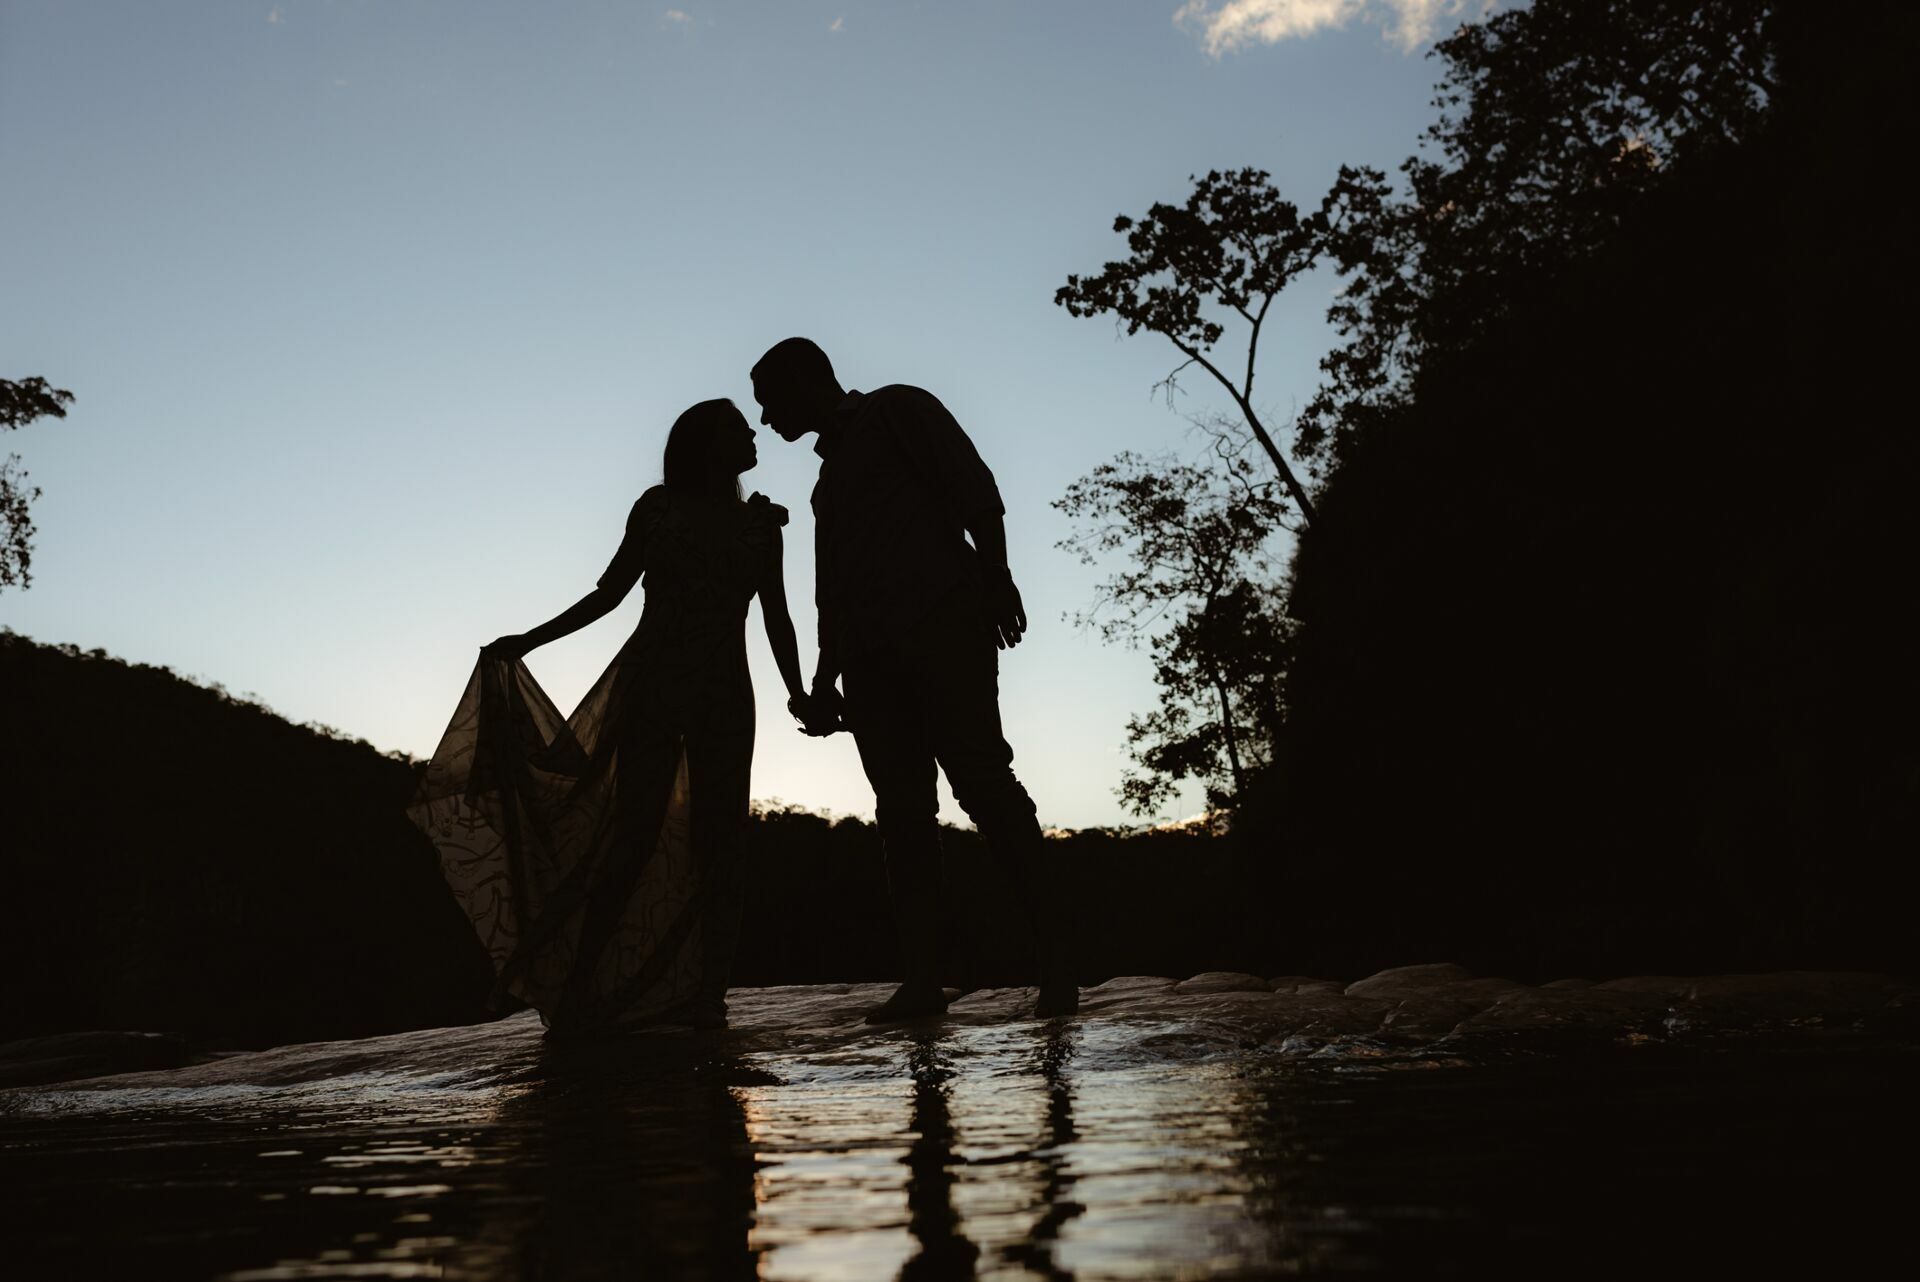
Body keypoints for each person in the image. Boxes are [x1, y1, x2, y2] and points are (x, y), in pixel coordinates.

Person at [407, 399, 806, 1033]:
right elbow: (609, 592)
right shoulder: (658, 509)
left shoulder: (762, 526)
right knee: (630, 840)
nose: (754, 433)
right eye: (739, 428)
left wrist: (798, 692)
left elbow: (776, 617)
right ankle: (578, 990)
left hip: (727, 695)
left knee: (721, 845)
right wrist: (529, 641)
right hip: (650, 687)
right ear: (706, 444)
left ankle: (709, 996)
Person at [757, 337, 1078, 1022]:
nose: (764, 421)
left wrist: (995, 576)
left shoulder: (897, 410)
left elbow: (974, 488)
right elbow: (831, 592)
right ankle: (924, 980)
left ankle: (1056, 961)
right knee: (902, 817)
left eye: (768, 401)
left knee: (984, 785)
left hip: (942, 627)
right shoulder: (824, 484)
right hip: (871, 663)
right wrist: (824, 679)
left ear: (803, 381)